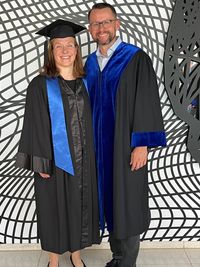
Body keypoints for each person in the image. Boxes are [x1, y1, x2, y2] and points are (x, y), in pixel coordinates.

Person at [85, 3, 167, 267]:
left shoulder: (134, 58)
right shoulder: (88, 63)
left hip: (125, 146)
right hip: (98, 150)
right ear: (90, 29)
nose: (102, 28)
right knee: (109, 202)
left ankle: (127, 262)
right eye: (96, 24)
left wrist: (141, 144)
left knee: (127, 202)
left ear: (117, 24)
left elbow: (146, 101)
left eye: (106, 22)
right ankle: (117, 257)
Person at [16, 19, 100, 267]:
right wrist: (41, 161)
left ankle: (75, 254)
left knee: (79, 206)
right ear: (51, 52)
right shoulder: (40, 85)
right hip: (54, 160)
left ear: (77, 49)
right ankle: (54, 259)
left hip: (85, 160)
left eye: (70, 45)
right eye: (58, 46)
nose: (65, 51)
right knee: (53, 208)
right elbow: (34, 125)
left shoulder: (88, 82)